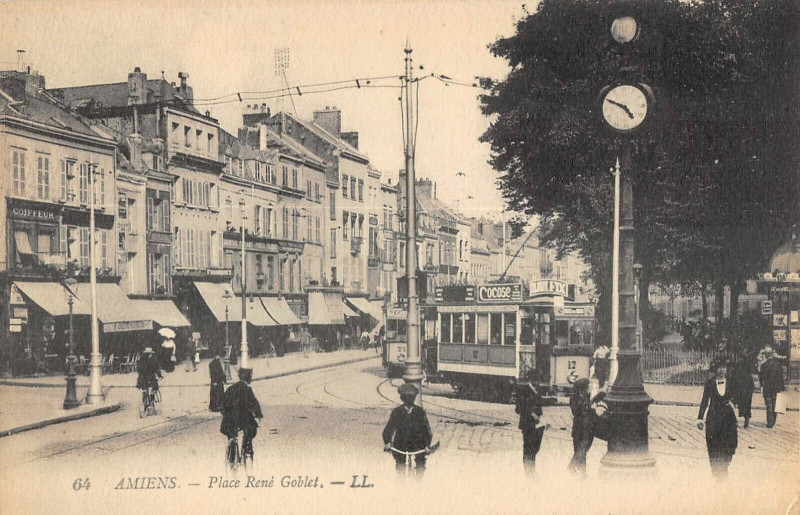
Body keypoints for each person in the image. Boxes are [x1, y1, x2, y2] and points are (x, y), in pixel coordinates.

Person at [697, 361, 738, 480]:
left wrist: (733, 402)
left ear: (726, 369)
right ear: (715, 369)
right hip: (713, 418)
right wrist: (700, 418)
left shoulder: (731, 382)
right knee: (714, 445)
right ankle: (718, 472)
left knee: (729, 443)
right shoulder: (710, 383)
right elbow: (704, 401)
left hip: (728, 418)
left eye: (723, 367)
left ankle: (724, 466)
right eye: (719, 368)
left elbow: (738, 394)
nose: (721, 370)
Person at [383, 383, 433, 477]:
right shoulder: (397, 412)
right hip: (401, 445)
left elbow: (426, 430)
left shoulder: (419, 412)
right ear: (402, 399)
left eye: (412, 397)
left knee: (420, 467)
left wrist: (427, 445)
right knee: (400, 468)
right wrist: (388, 442)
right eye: (407, 398)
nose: (410, 400)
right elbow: (389, 429)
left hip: (417, 445)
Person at [220, 367, 263, 461]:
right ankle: (247, 447)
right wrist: (258, 414)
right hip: (242, 420)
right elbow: (254, 403)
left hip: (229, 421)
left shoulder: (230, 389)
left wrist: (225, 414)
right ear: (248, 378)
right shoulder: (247, 389)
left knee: (231, 434)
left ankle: (232, 448)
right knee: (251, 429)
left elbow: (222, 405)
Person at [515, 371, 547, 475]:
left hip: (537, 425)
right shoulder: (524, 391)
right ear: (531, 380)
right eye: (536, 380)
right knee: (528, 449)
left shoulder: (537, 391)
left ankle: (532, 470)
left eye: (539, 381)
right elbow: (518, 409)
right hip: (527, 424)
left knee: (535, 448)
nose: (538, 383)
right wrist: (531, 414)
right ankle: (529, 472)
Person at [568, 377, 595, 477]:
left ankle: (581, 471)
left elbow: (589, 412)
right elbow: (577, 412)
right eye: (587, 387)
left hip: (587, 429)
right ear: (581, 389)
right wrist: (586, 402)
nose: (588, 388)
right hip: (579, 429)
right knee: (580, 451)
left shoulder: (586, 397)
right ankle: (576, 469)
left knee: (583, 451)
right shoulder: (575, 398)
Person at [758, 347, 785, 428]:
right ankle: (773, 421)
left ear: (766, 355)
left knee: (769, 405)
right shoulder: (778, 364)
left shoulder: (763, 365)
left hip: (767, 388)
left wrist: (761, 386)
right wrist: (781, 388)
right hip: (776, 388)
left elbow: (761, 377)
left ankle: (770, 422)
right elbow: (781, 377)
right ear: (772, 353)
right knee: (775, 404)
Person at [731, 358, 754, 429]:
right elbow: (751, 385)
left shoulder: (736, 373)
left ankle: (734, 421)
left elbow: (733, 383)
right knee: (747, 407)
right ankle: (746, 421)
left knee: (736, 406)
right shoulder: (748, 375)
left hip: (739, 393)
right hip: (747, 393)